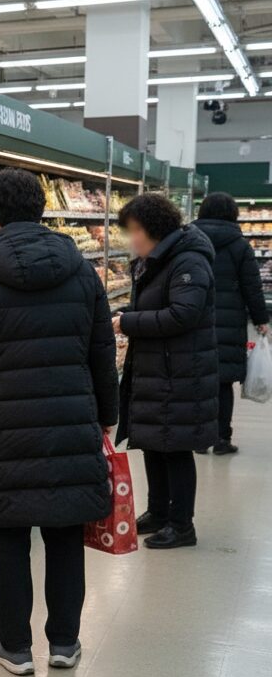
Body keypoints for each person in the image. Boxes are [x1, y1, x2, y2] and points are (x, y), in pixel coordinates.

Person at [0, 168, 118, 676]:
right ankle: (64, 643)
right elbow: (102, 352)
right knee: (65, 531)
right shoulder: (81, 270)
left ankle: (16, 647)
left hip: (7, 423)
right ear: (41, 211)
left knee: (10, 535)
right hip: (71, 416)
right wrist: (107, 417)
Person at [113, 194, 218, 549]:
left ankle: (182, 525)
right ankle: (158, 512)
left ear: (154, 229)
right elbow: (156, 305)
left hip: (180, 370)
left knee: (175, 449)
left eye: (135, 230)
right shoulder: (156, 260)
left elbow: (183, 314)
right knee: (153, 444)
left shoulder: (188, 260)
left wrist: (129, 322)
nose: (132, 239)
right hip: (157, 368)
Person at [193, 191, 269, 454]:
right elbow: (252, 287)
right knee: (223, 384)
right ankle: (221, 439)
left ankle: (199, 438)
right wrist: (261, 319)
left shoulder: (189, 239)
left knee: (197, 381)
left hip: (195, 319)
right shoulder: (240, 245)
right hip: (230, 322)